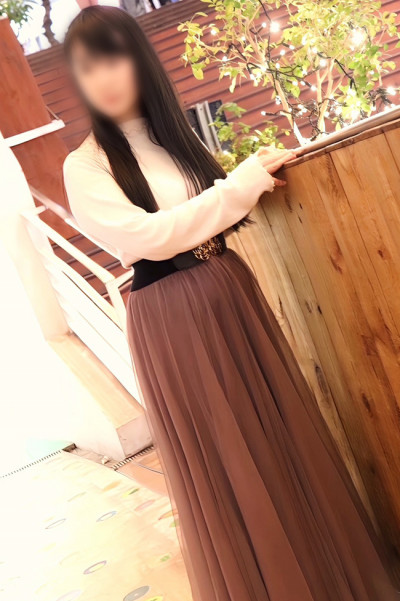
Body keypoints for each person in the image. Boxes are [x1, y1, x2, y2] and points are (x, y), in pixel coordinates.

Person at [63, 6, 398, 601]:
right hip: (171, 316)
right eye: (88, 68)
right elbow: (149, 237)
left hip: (226, 290)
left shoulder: (174, 135)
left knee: (278, 440)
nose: (104, 77)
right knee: (233, 459)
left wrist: (244, 182)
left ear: (139, 60)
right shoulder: (85, 165)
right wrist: (239, 186)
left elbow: (214, 208)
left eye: (113, 59)